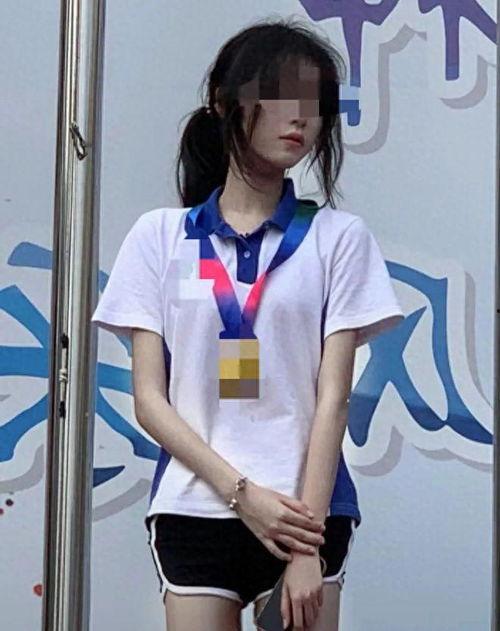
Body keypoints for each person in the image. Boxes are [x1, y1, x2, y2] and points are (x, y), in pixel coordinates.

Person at [91, 17, 404, 631]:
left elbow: (334, 399)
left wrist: (307, 543)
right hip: (195, 505)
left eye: (316, 104)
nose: (301, 119)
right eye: (281, 96)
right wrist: (243, 495)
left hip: (305, 513)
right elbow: (150, 401)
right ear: (224, 102)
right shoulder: (159, 237)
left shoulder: (338, 237)